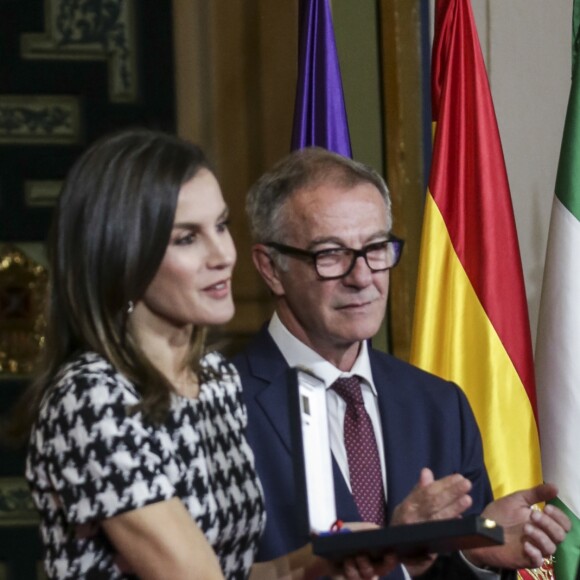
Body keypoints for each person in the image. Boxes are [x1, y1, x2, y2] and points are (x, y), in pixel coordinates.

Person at [14, 129, 401, 580]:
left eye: (220, 226)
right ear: (124, 255)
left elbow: (235, 570)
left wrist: (321, 562)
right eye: (186, 239)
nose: (222, 255)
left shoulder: (216, 379)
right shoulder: (91, 398)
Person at [232, 147, 571, 579]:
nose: (362, 277)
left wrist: (476, 552)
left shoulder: (440, 406)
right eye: (331, 254)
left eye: (376, 248)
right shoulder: (216, 407)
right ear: (271, 268)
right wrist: (392, 550)